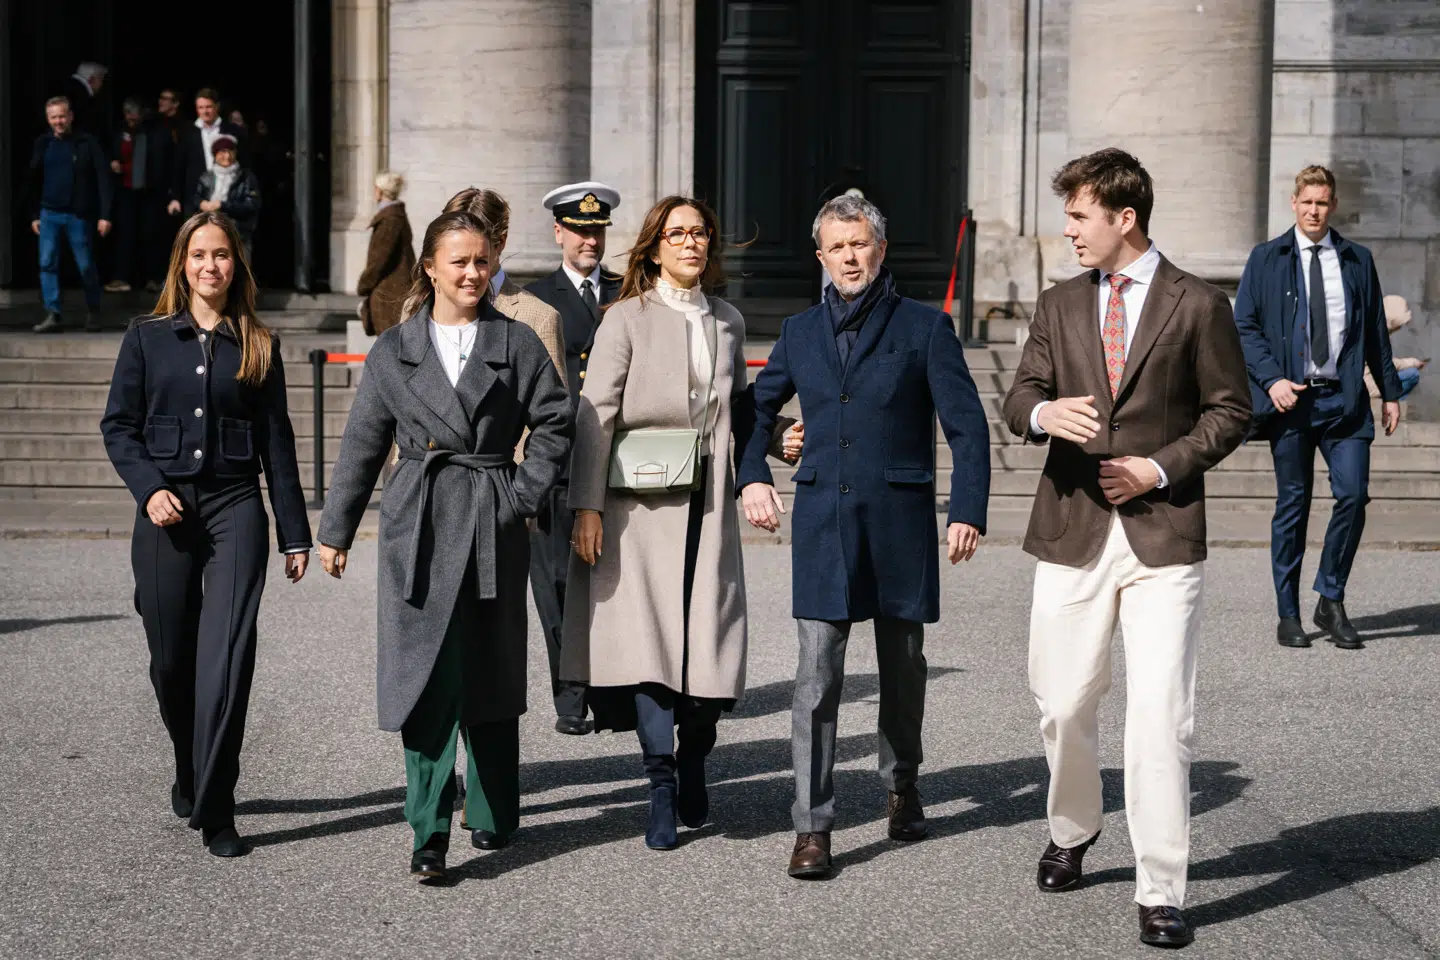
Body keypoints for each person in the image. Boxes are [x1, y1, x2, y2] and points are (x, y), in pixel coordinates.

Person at [1002, 148, 1251, 948]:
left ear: (1123, 217)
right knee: (1063, 703)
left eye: (1079, 216)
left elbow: (1229, 412)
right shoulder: (1059, 303)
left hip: (1164, 534)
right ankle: (1074, 827)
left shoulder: (1199, 304)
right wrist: (1043, 418)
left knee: (1159, 717)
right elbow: (1019, 397)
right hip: (1071, 527)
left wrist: (1158, 465)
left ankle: (1161, 886)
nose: (1068, 230)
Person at [736, 194, 991, 880]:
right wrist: (754, 472)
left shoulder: (926, 328)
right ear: (821, 257)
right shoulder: (796, 333)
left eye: (860, 244)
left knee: (903, 670)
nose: (850, 257)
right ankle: (813, 826)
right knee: (816, 676)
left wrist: (966, 508)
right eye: (837, 247)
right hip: (824, 523)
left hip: (901, 525)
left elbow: (968, 427)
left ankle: (901, 783)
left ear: (881, 250)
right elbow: (753, 414)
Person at [316, 211, 571, 882]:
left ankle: (491, 809)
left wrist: (522, 494)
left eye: (481, 261)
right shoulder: (394, 348)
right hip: (418, 522)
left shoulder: (514, 342)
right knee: (424, 678)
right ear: (428, 267)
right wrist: (336, 529)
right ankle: (428, 830)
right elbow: (363, 442)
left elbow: (555, 420)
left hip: (493, 515)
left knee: (489, 668)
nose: (471, 273)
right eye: (457, 261)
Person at [99, 211, 312, 858]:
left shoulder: (259, 343)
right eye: (199, 255)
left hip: (236, 508)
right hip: (165, 511)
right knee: (171, 661)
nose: (210, 266)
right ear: (182, 264)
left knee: (227, 659)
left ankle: (218, 806)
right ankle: (189, 767)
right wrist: (149, 488)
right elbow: (119, 426)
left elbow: (278, 444)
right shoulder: (147, 338)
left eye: (221, 255)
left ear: (235, 265)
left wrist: (294, 534)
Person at [562, 196, 759, 851]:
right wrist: (587, 506)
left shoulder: (727, 320)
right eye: (677, 234)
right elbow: (596, 414)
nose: (690, 243)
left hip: (708, 506)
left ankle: (697, 753)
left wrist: (775, 444)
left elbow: (742, 411)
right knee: (650, 652)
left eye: (700, 232)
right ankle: (661, 787)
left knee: (709, 644)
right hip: (637, 507)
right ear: (652, 247)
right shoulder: (626, 318)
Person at [1234, 165, 1403, 652]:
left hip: (1344, 400)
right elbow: (1244, 325)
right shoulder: (1266, 258)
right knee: (1294, 505)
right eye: (1307, 202)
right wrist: (1271, 381)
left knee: (1353, 496)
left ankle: (1330, 597)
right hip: (1291, 402)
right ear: (1294, 203)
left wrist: (1389, 391)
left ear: (1332, 206)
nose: (1314, 211)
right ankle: (1288, 613)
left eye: (1322, 203)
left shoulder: (1355, 260)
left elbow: (1373, 330)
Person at [524, 181, 623, 735]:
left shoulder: (626, 290)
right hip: (558, 458)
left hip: (613, 456)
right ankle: (570, 694)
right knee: (557, 581)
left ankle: (611, 690)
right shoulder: (536, 299)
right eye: (580, 230)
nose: (589, 240)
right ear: (558, 233)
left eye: (597, 230)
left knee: (611, 579)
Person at [23, 97, 112, 333]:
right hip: (49, 213)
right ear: (48, 119)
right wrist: (34, 214)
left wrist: (105, 215)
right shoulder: (43, 143)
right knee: (47, 263)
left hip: (78, 215)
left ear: (70, 116)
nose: (58, 121)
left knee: (85, 266)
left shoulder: (86, 143)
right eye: (53, 117)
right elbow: (33, 181)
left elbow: (103, 178)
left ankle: (93, 312)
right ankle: (53, 313)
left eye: (62, 116)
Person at [106, 98, 157, 293]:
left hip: (148, 192)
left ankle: (151, 278)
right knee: (125, 234)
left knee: (148, 234)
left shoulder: (151, 132)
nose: (131, 117)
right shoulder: (119, 131)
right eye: (128, 113)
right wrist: (113, 163)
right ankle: (122, 278)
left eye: (134, 113)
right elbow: (112, 153)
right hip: (125, 190)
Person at [356, 171, 416, 337]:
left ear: (380, 191)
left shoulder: (390, 219)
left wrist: (364, 284)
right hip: (393, 292)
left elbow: (379, 259)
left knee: (390, 348)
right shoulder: (395, 215)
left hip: (388, 295)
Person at [171, 89, 244, 220]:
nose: (205, 111)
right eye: (200, 107)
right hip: (195, 198)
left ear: (217, 106)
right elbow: (179, 166)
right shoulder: (188, 133)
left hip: (226, 197)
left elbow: (244, 164)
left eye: (209, 107)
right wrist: (176, 198)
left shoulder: (232, 131)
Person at [191, 136, 261, 258]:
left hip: (238, 234)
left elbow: (252, 205)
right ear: (215, 155)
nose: (227, 156)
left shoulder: (246, 178)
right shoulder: (206, 177)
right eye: (222, 152)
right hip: (210, 231)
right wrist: (202, 203)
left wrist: (223, 205)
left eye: (230, 151)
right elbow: (196, 197)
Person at [147, 89, 185, 292]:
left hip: (174, 190)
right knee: (155, 234)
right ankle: (155, 276)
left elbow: (178, 163)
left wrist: (175, 192)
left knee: (174, 235)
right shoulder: (154, 125)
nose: (160, 102)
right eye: (160, 98)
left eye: (166, 99)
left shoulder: (181, 128)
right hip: (155, 190)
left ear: (176, 103)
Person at [1364, 296, 1425, 400]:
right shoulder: (1376, 335)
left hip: (1366, 379)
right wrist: (1412, 363)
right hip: (1367, 383)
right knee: (1412, 374)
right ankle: (1392, 401)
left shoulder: (1371, 327)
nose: (1400, 327)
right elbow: (1384, 365)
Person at [64, 62, 107, 136]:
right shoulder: (82, 98)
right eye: (100, 79)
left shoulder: (67, 88)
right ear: (91, 79)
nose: (101, 84)